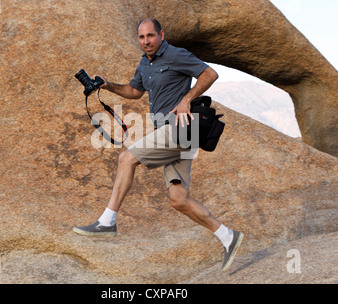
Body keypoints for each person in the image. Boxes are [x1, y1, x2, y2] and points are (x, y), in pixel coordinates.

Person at [73, 18, 243, 272]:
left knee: (126, 158)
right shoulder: (145, 63)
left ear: (161, 35)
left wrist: (186, 99)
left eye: (150, 36)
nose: (146, 42)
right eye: (142, 38)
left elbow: (210, 73)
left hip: (178, 129)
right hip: (173, 134)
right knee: (178, 199)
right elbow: (135, 91)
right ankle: (228, 237)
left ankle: (107, 222)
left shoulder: (176, 55)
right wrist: (107, 85)